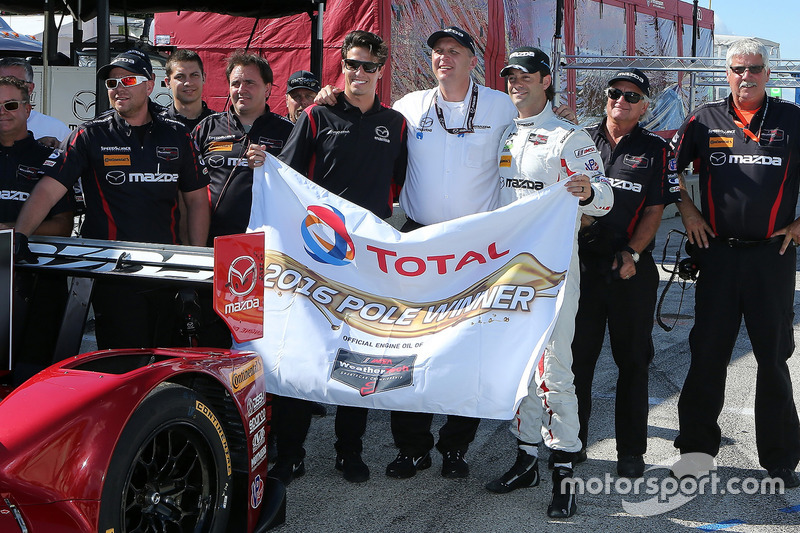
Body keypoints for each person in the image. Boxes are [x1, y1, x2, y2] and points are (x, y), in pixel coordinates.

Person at [250, 30, 407, 486]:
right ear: (342, 65)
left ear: (381, 71)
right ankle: (292, 452)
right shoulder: (318, 115)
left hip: (367, 263)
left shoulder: (395, 124)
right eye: (352, 64)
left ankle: (349, 451)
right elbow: (286, 177)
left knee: (361, 358)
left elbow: (396, 187)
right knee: (304, 353)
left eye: (368, 67)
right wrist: (262, 163)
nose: (359, 74)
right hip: (315, 259)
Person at [482, 47, 613, 518]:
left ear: (545, 80)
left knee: (555, 370)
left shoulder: (569, 137)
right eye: (510, 76)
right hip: (509, 270)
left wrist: (589, 191)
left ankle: (565, 472)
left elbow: (604, 200)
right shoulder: (503, 134)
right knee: (517, 367)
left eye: (524, 75)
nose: (515, 83)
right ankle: (526, 459)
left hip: (555, 270)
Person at [14, 49, 210, 350]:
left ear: (149, 85)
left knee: (168, 360)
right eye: (111, 83)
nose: (118, 87)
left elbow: (196, 202)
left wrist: (194, 266)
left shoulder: (178, 135)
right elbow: (49, 188)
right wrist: (19, 235)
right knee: (123, 364)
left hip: (167, 271)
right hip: (113, 272)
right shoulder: (90, 135)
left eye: (127, 79)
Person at [670, 37, 800, 487]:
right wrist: (687, 209)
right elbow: (667, 168)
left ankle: (781, 457)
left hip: (774, 257)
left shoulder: (791, 119)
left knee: (773, 356)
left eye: (756, 69)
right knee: (707, 352)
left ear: (769, 73)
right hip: (718, 256)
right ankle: (695, 449)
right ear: (727, 73)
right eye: (739, 69)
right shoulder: (704, 119)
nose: (747, 77)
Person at [388, 27, 517, 480]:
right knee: (412, 345)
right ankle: (411, 447)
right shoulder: (409, 106)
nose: (445, 58)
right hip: (421, 243)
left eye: (454, 52)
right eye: (438, 52)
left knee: (467, 347)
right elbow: (365, 128)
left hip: (475, 248)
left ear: (471, 60)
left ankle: (456, 447)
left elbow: (535, 147)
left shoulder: (501, 106)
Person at [570, 69, 679, 479]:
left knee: (633, 361)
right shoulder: (579, 141)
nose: (622, 100)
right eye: (616, 93)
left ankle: (631, 452)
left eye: (632, 96)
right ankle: (572, 442)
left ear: (644, 105)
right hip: (582, 266)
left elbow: (655, 210)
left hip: (630, 269)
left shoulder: (656, 149)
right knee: (578, 359)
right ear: (606, 98)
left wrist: (633, 252)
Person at [0, 76, 73, 384]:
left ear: (28, 109)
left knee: (31, 383)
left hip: (36, 288)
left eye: (11, 105)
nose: (3, 111)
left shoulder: (51, 158)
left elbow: (63, 226)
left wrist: (9, 231)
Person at [194, 51, 294, 244]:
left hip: (270, 242)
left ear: (267, 89)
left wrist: (271, 166)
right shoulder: (207, 127)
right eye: (235, 83)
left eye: (249, 83)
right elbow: (188, 188)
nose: (241, 89)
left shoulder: (287, 131)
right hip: (214, 239)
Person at [0, 57, 71, 147]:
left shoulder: (56, 129)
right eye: (2, 81)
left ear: (30, 88)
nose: (6, 88)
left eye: (16, 83)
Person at [162, 49, 216, 131]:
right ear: (168, 82)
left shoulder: (221, 125)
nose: (188, 83)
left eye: (194, 75)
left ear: (204, 78)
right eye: (180, 77)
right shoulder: (157, 126)